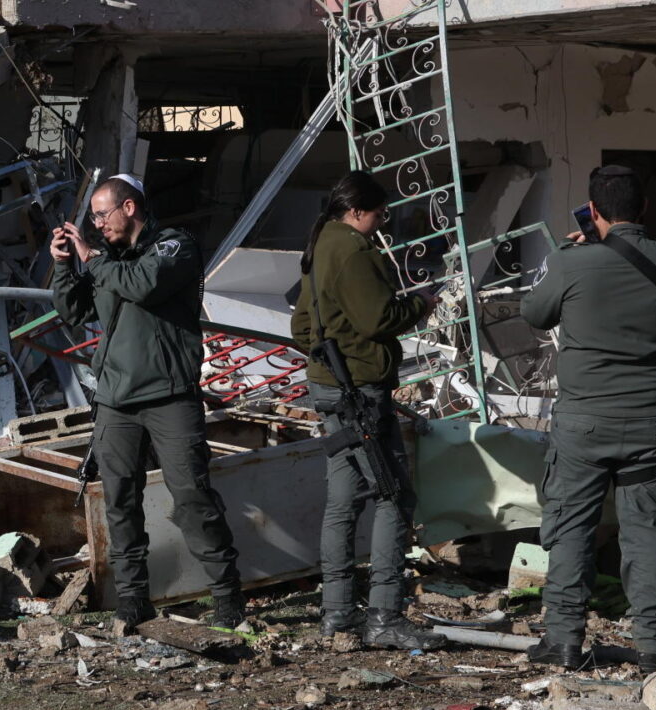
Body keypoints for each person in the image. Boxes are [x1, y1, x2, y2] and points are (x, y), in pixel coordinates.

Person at [518, 161, 656, 670]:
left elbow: (534, 313)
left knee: (571, 528)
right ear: (644, 208)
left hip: (584, 425)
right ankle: (653, 646)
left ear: (592, 210)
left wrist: (573, 253)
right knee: (646, 533)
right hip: (651, 425)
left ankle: (563, 641)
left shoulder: (571, 262)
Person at [50, 173, 244, 628]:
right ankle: (133, 600)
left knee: (192, 498)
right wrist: (63, 266)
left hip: (169, 397)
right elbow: (74, 310)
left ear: (129, 207)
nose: (98, 225)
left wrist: (92, 259)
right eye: (93, 219)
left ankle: (227, 596)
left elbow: (143, 284)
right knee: (120, 503)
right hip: (115, 401)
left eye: (102, 214)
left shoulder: (174, 246)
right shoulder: (108, 260)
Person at [287, 171, 433, 650]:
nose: (381, 223)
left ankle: (337, 613)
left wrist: (329, 355)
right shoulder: (352, 250)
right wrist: (419, 305)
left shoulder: (321, 244)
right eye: (379, 214)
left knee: (344, 498)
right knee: (394, 496)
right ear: (356, 211)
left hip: (330, 386)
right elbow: (378, 319)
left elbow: (302, 326)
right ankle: (385, 614)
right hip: (359, 392)